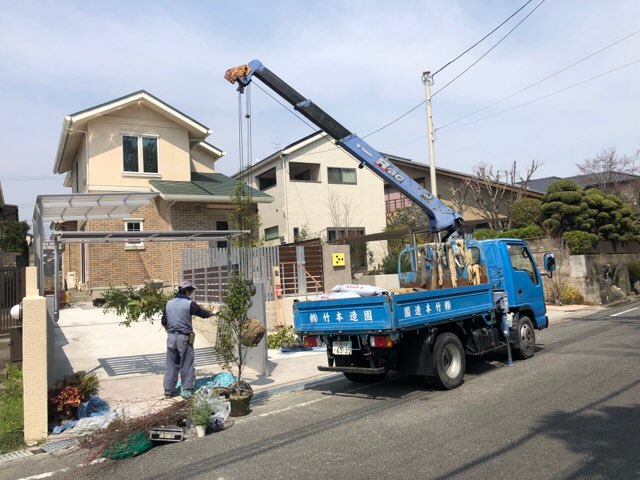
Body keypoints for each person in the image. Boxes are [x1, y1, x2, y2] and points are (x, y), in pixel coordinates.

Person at [162, 280, 211, 398]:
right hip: (184, 338)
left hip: (171, 337)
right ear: (188, 291)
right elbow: (202, 313)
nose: (191, 294)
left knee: (171, 364)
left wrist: (170, 331)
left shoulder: (168, 304)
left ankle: (168, 391)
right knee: (186, 364)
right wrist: (212, 313)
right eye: (191, 291)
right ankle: (187, 390)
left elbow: (164, 321)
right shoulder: (189, 304)